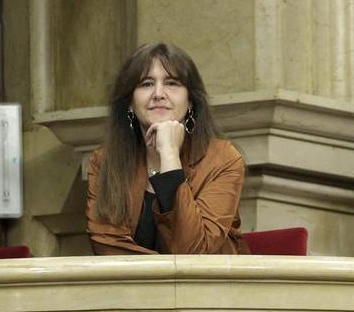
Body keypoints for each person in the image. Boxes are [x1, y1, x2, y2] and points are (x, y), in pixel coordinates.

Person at [86, 42, 249, 254]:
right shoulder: (103, 162)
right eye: (146, 84)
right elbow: (107, 246)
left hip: (206, 286)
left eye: (171, 83)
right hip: (131, 286)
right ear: (129, 102)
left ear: (190, 100)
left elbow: (193, 251)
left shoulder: (223, 159)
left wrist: (170, 156)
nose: (158, 93)